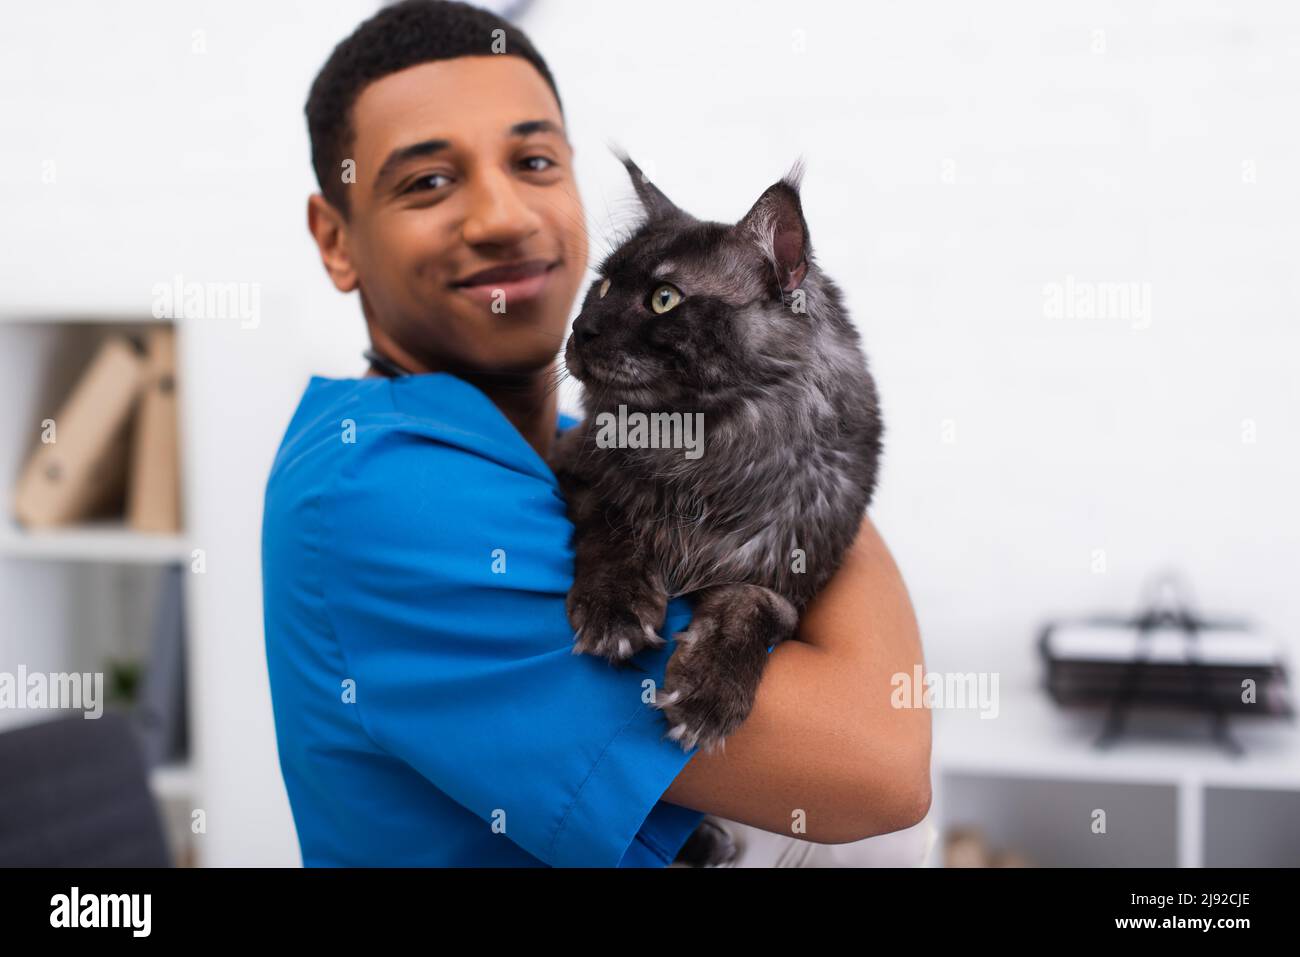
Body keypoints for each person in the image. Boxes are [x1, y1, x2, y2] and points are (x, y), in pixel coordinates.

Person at [262, 0, 931, 867]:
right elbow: (879, 768)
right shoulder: (383, 496)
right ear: (336, 239)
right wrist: (800, 433)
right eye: (429, 181)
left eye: (534, 160)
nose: (502, 216)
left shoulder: (589, 433)